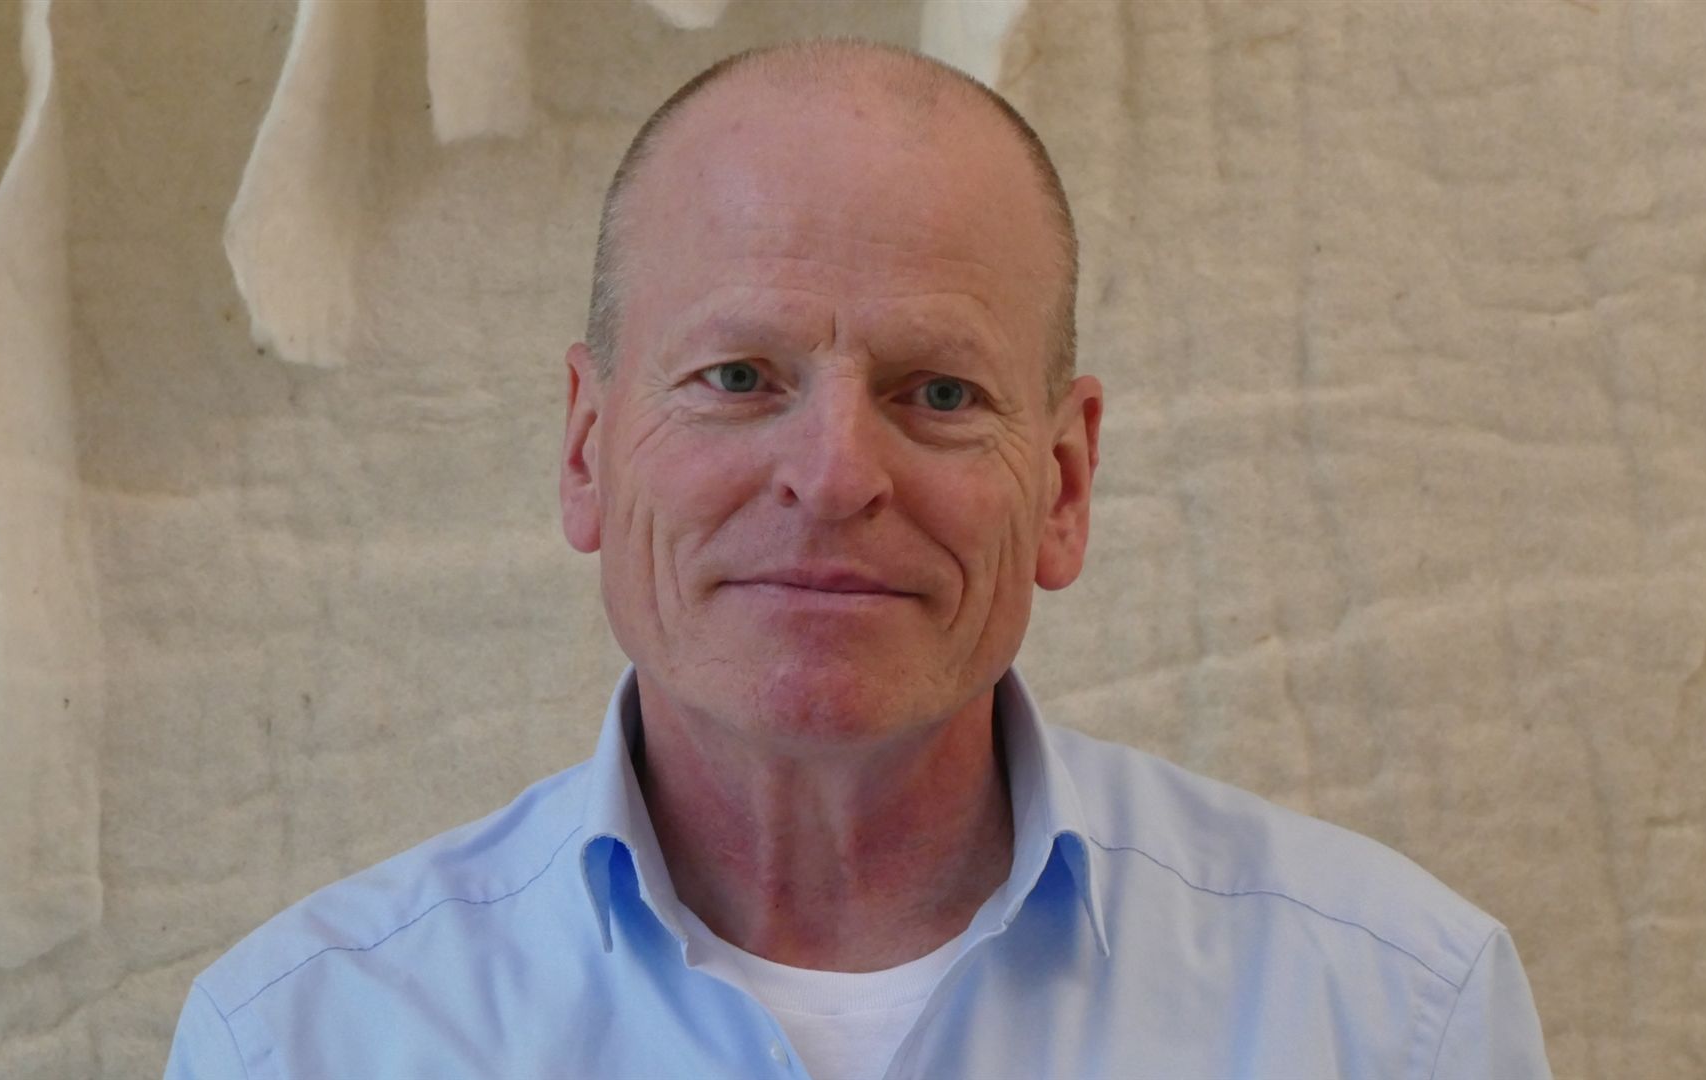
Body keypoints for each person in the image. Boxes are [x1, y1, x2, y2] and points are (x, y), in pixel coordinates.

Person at [166, 37, 1550, 1080]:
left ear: (1064, 485)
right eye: (737, 376)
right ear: (587, 450)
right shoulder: (306, 1038)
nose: (834, 477)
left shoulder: (1394, 1014)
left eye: (939, 393)